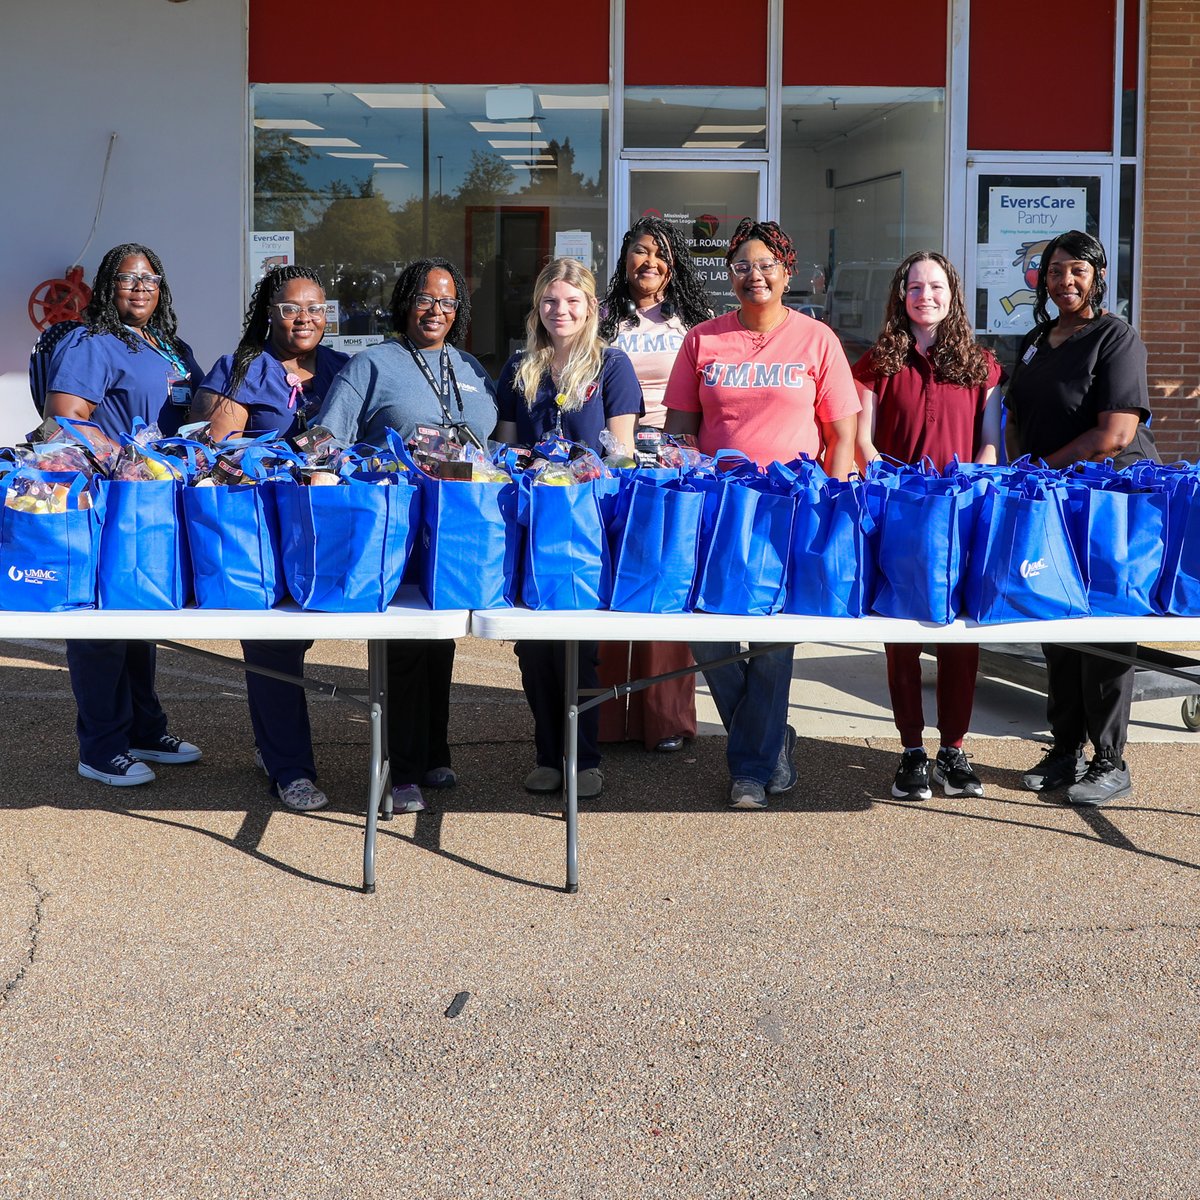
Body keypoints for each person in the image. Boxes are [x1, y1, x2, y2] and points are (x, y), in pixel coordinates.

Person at [664, 218, 859, 810]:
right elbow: (680, 431)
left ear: (787, 272)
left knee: (772, 640)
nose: (755, 276)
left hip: (790, 508)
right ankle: (772, 739)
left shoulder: (817, 339)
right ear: (729, 276)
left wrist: (827, 506)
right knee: (711, 634)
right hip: (719, 510)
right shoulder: (704, 339)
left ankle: (751, 768)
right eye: (743, 267)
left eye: (767, 266)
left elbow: (842, 435)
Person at [315, 257, 497, 815]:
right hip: (394, 527)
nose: (436, 309)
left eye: (446, 300)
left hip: (457, 529)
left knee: (439, 641)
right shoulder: (371, 365)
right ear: (404, 304)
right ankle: (399, 769)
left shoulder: (469, 366)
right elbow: (328, 439)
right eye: (424, 298)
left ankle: (434, 750)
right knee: (400, 650)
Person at [1004, 229, 1159, 807]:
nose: (1064, 281)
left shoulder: (1115, 337)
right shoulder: (1038, 338)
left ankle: (1110, 759)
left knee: (1104, 625)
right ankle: (1064, 748)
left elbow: (1114, 434)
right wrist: (1021, 467)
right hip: (1050, 501)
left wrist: (1038, 468)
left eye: (1077, 270)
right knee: (1057, 622)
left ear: (1096, 277)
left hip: (1107, 502)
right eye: (1054, 271)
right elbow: (1017, 412)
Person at [43, 243, 203, 786]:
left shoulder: (170, 347)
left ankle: (143, 729)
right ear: (109, 286)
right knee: (101, 625)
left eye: (150, 277)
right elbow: (65, 417)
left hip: (157, 499)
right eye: (128, 278)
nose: (140, 286)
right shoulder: (93, 343)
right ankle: (101, 745)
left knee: (138, 613)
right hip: (110, 498)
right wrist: (123, 458)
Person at [192, 265, 348, 812]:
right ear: (269, 312)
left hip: (325, 525)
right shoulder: (243, 368)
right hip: (259, 526)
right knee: (274, 642)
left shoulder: (342, 368)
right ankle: (289, 768)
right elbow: (218, 447)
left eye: (315, 309)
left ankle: (273, 744)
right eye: (290, 308)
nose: (304, 318)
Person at [853, 251, 1004, 802]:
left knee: (961, 637)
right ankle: (912, 751)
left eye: (935, 286)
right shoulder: (875, 363)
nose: (925, 296)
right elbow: (864, 443)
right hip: (901, 515)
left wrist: (975, 478)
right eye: (914, 287)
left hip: (961, 513)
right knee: (903, 635)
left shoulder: (982, 365)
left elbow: (989, 443)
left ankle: (955, 749)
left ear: (952, 294)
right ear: (901, 296)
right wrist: (894, 484)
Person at [494, 257, 643, 800]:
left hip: (585, 522)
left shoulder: (612, 366)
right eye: (551, 301)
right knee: (533, 647)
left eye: (572, 301)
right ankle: (547, 754)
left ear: (591, 308)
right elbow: (507, 443)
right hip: (532, 520)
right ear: (538, 307)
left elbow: (623, 451)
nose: (561, 311)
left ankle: (585, 758)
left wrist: (583, 469)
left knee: (579, 645)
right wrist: (521, 463)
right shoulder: (519, 366)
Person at [596, 217, 713, 756]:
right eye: (639, 252)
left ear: (675, 263)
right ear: (623, 260)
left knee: (664, 586)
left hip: (674, 464)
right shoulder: (600, 320)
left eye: (660, 253)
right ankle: (603, 719)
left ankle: (664, 719)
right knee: (611, 584)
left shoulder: (697, 321)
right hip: (612, 462)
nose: (649, 262)